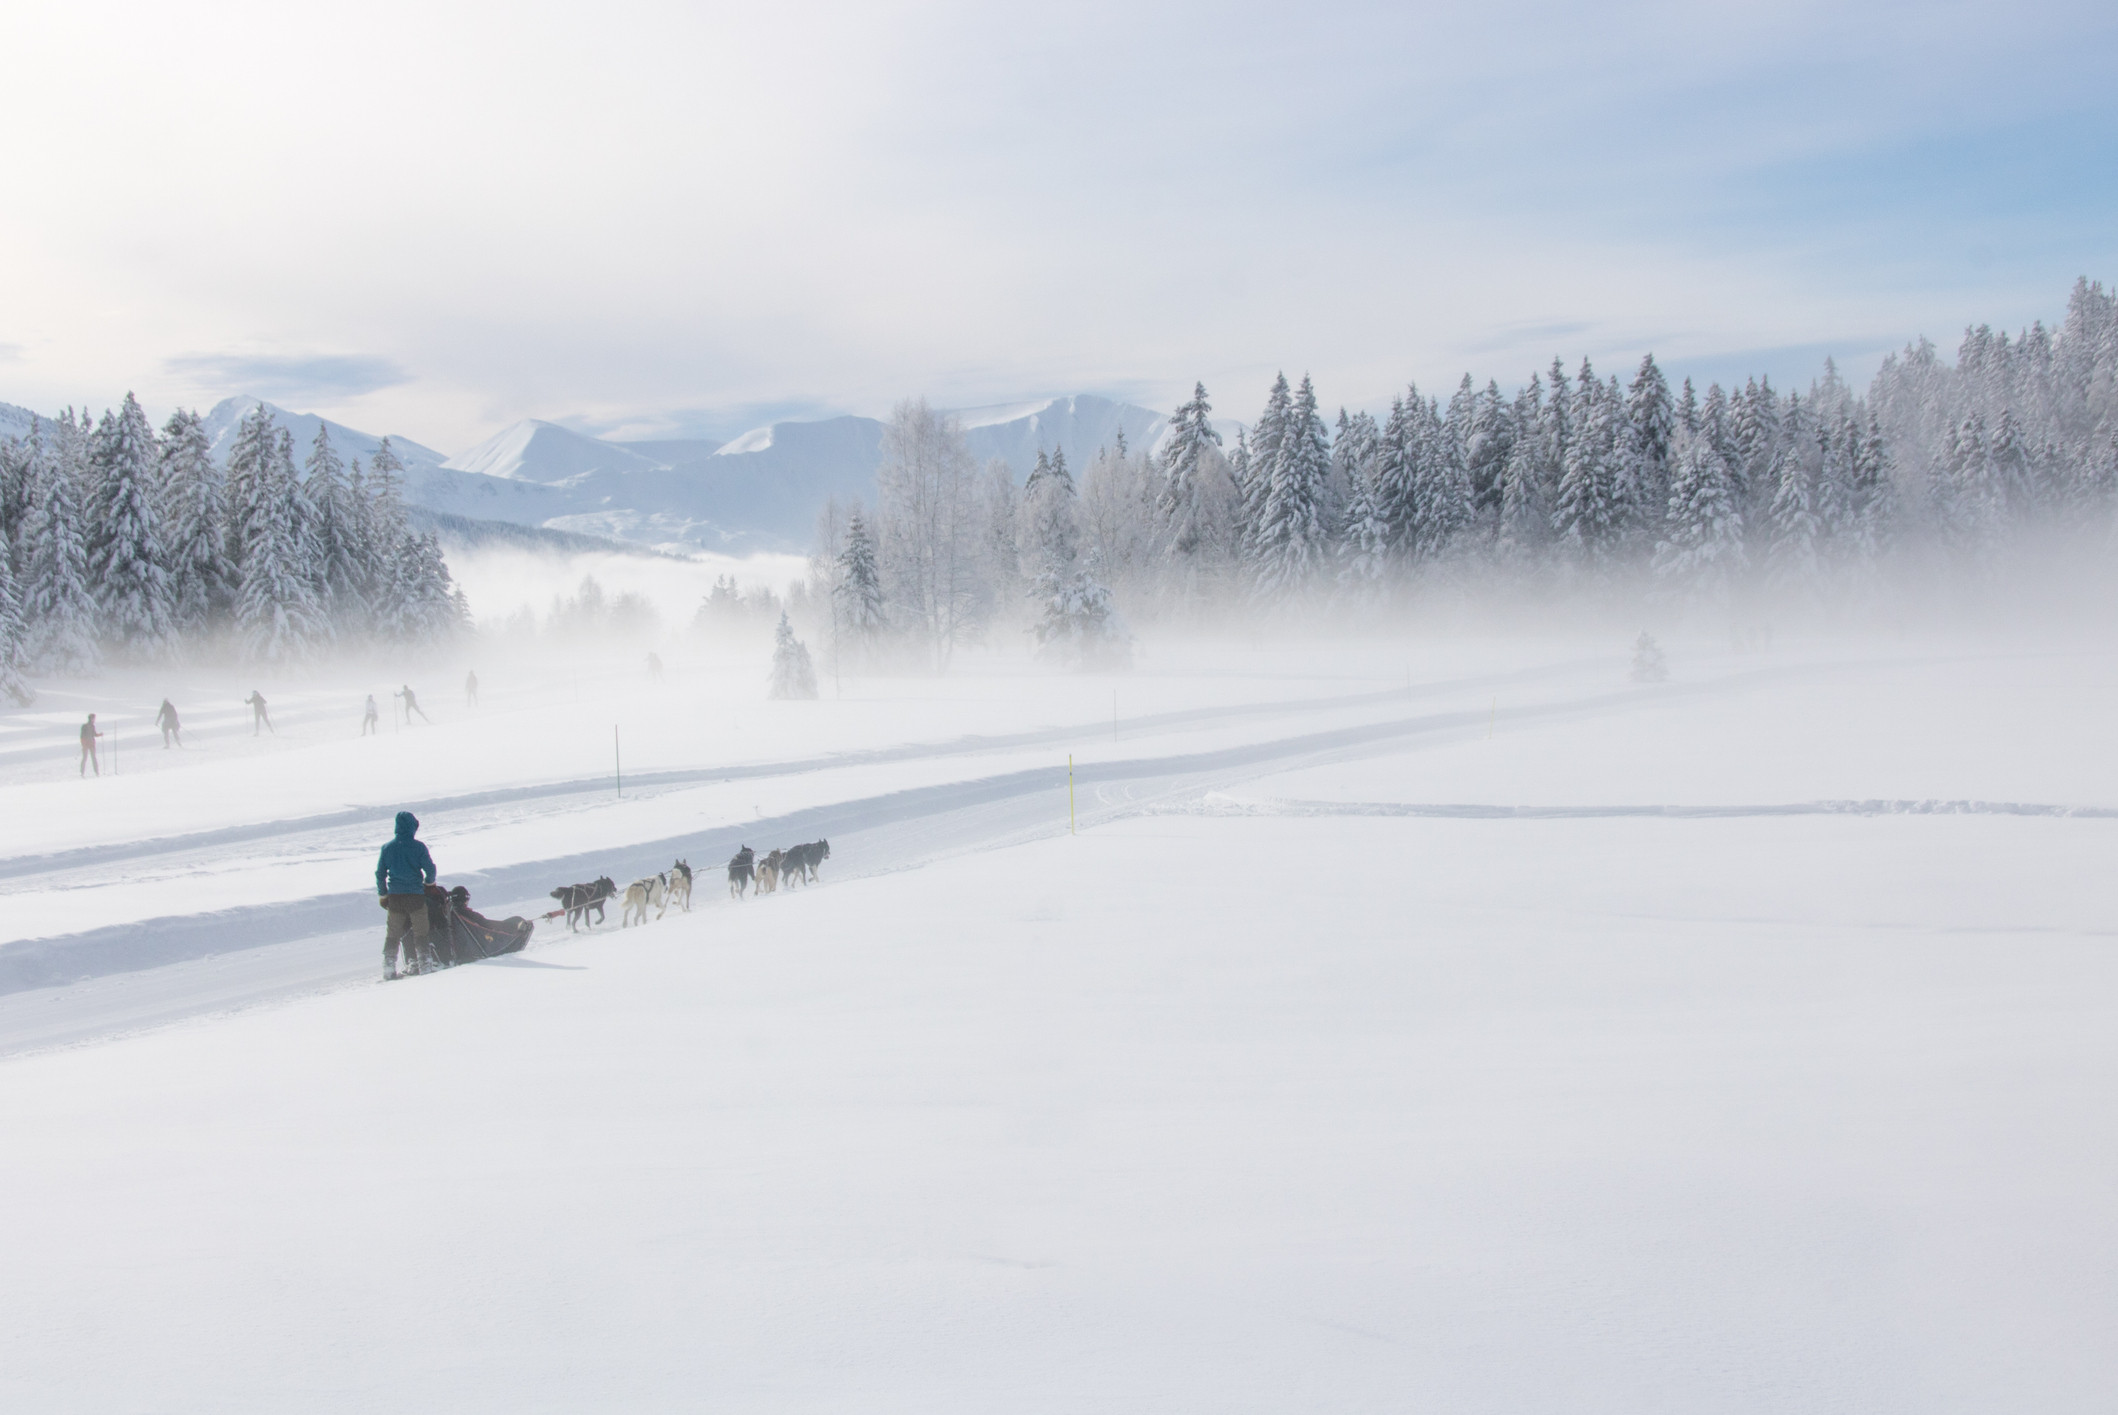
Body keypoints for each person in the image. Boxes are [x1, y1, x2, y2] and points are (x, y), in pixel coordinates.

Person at [375, 810, 439, 979]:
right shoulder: (418, 847)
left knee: (393, 934)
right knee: (421, 933)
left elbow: (380, 874)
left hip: (395, 899)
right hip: (416, 897)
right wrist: (429, 884)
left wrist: (383, 895)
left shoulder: (387, 848)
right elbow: (430, 869)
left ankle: (388, 968)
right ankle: (425, 965)